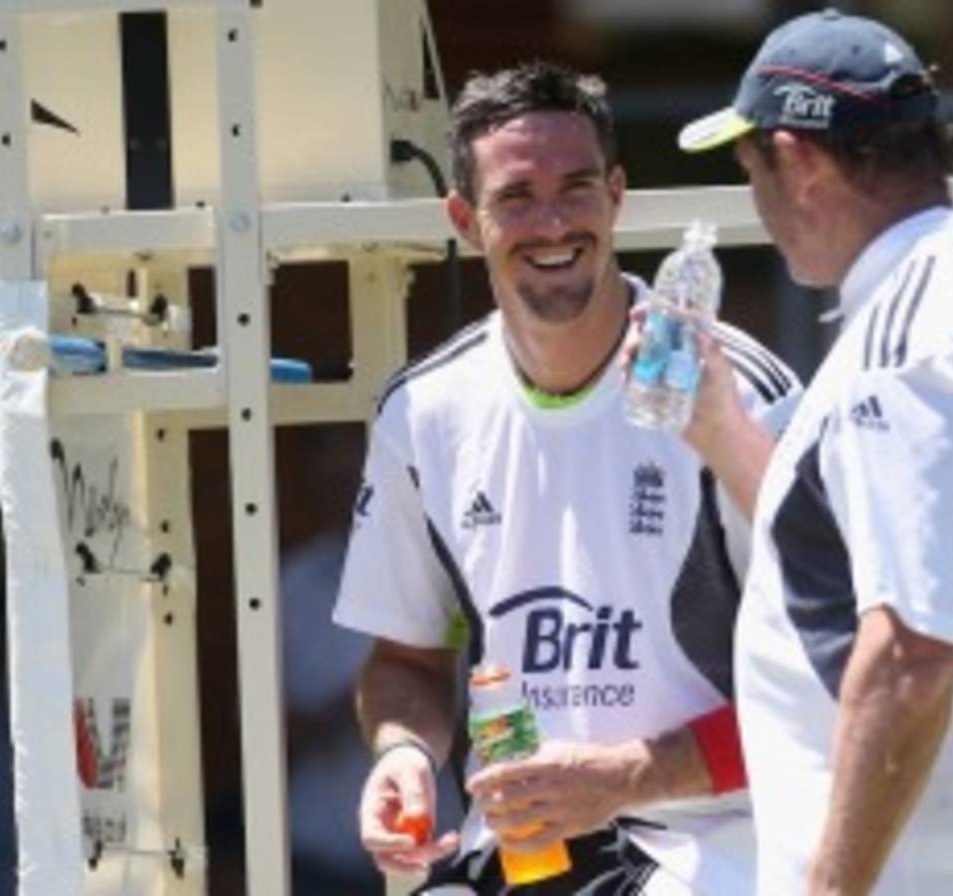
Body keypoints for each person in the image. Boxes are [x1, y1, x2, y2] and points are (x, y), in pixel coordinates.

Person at [677, 10, 953, 896]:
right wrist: (726, 430)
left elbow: (910, 655)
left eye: (750, 171)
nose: (757, 207)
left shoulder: (908, 350)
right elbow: (888, 570)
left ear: (799, 162)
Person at [332, 61, 800, 894]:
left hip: (720, 846)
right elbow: (404, 658)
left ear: (616, 196)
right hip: (517, 853)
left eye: (576, 187)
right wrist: (403, 753)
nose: (552, 222)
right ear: (464, 221)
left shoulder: (731, 389)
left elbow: (831, 671)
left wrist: (626, 776)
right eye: (515, 197)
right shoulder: (424, 411)